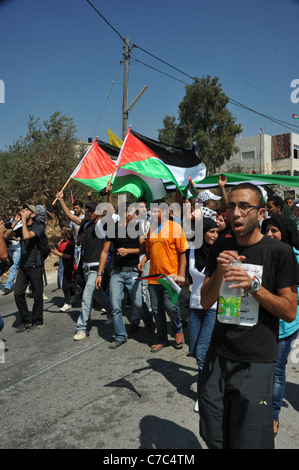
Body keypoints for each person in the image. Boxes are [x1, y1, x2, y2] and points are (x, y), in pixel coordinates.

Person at [199, 183, 299, 449]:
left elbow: (289, 311)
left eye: (244, 206)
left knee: (251, 441)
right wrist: (221, 271)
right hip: (218, 355)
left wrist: (253, 286)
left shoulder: (280, 252)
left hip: (256, 360)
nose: (236, 213)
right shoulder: (222, 244)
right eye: (231, 206)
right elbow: (206, 300)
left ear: (261, 212)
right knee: (214, 435)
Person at [96, 202, 155, 349]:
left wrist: (129, 251)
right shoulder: (113, 229)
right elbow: (104, 252)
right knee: (115, 306)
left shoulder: (138, 227)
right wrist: (99, 274)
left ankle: (149, 322)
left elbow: (144, 247)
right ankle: (121, 336)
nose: (136, 216)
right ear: (125, 213)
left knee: (139, 304)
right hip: (117, 272)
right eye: (134, 213)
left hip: (133, 271)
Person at [261, 214, 299, 436]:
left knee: (276, 372)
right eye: (266, 230)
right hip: (258, 325)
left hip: (284, 326)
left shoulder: (295, 257)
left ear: (285, 232)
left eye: (274, 230)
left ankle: (273, 415)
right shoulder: (259, 253)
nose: (269, 235)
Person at [138, 199, 189, 353]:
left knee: (171, 307)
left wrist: (180, 275)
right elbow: (149, 250)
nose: (152, 214)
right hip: (154, 277)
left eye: (155, 211)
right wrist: (144, 260)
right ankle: (161, 338)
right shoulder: (151, 229)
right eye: (151, 211)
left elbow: (183, 253)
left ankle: (177, 329)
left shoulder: (175, 228)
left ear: (165, 212)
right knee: (156, 309)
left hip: (170, 277)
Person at [185, 217, 219, 413]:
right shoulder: (191, 250)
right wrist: (172, 278)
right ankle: (216, 378)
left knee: (202, 352)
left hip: (213, 307)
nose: (214, 235)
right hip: (195, 305)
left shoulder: (221, 253)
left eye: (216, 231)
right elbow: (187, 277)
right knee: (195, 349)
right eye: (210, 231)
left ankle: (204, 394)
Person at [5, 204, 47, 332]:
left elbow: (27, 236)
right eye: (23, 209)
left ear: (33, 215)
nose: (23, 210)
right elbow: (7, 236)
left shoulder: (38, 227)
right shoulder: (22, 225)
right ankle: (25, 319)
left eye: (27, 210)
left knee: (37, 294)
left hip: (35, 265)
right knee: (18, 293)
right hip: (23, 266)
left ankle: (38, 320)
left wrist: (22, 221)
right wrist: (15, 223)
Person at [51, 226, 75, 312]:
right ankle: (73, 295)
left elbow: (69, 256)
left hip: (68, 266)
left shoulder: (70, 244)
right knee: (64, 284)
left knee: (65, 285)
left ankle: (67, 303)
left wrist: (58, 253)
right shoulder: (62, 242)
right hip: (62, 265)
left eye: (62, 231)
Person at [2, 208, 22, 295]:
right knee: (7, 265)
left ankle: (7, 287)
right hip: (9, 247)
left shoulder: (22, 223)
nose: (13, 217)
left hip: (17, 248)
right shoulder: (10, 221)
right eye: (13, 215)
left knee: (14, 267)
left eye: (15, 215)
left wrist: (18, 238)